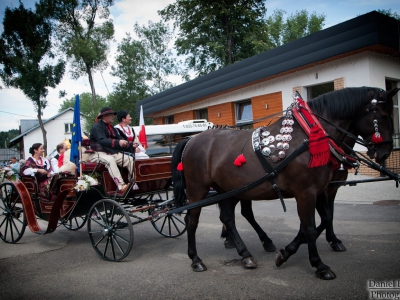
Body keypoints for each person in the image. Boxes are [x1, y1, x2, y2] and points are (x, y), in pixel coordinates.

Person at [89, 107, 136, 193]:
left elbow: (120, 139)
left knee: (129, 159)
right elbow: (102, 140)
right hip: (97, 153)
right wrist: (118, 142)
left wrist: (130, 144)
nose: (113, 116)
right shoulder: (97, 127)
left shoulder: (112, 128)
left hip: (110, 153)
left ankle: (133, 183)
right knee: (110, 160)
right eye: (110, 115)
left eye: (112, 115)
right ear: (104, 117)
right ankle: (121, 186)